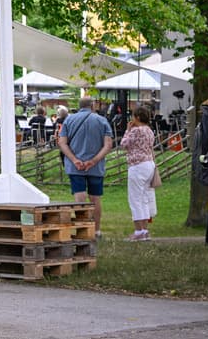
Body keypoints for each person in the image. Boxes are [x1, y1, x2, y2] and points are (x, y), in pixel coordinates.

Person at [58, 96, 114, 238]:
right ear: (92, 105)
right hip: (96, 167)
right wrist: (94, 161)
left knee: (80, 196)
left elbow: (62, 143)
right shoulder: (102, 121)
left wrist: (74, 160)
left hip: (75, 166)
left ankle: (82, 229)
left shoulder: (69, 120)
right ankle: (96, 230)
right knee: (95, 198)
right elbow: (108, 145)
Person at [120, 107, 157, 241]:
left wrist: (127, 130)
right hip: (148, 164)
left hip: (137, 165)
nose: (132, 119)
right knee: (144, 198)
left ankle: (138, 231)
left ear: (138, 118)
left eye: (133, 116)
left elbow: (123, 144)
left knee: (135, 199)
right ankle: (145, 230)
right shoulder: (149, 130)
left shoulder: (135, 131)